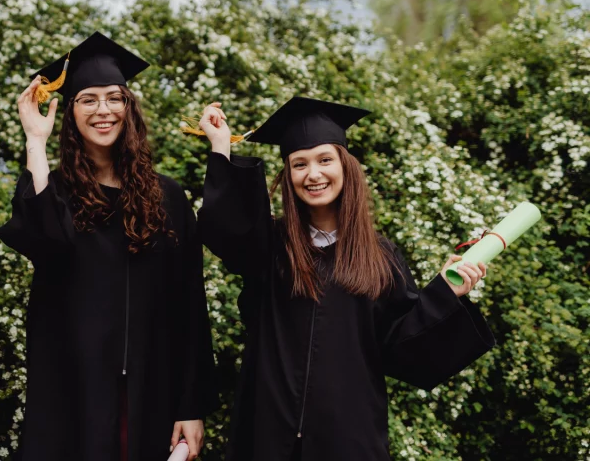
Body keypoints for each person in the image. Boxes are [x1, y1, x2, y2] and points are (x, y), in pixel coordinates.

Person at [194, 96, 495, 461]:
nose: (313, 174)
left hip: (348, 440)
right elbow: (227, 231)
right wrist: (221, 145)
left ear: (345, 166)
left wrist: (447, 293)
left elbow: (403, 348)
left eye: (325, 160)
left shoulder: (381, 258)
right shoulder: (270, 246)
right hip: (267, 435)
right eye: (299, 164)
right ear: (288, 176)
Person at [0, 32, 219, 461]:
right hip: (73, 393)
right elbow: (47, 243)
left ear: (129, 108)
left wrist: (191, 405)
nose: (103, 110)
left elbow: (189, 304)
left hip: (152, 391)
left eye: (114, 98)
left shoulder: (167, 196)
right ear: (71, 113)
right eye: (88, 99)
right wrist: (35, 141)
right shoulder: (54, 191)